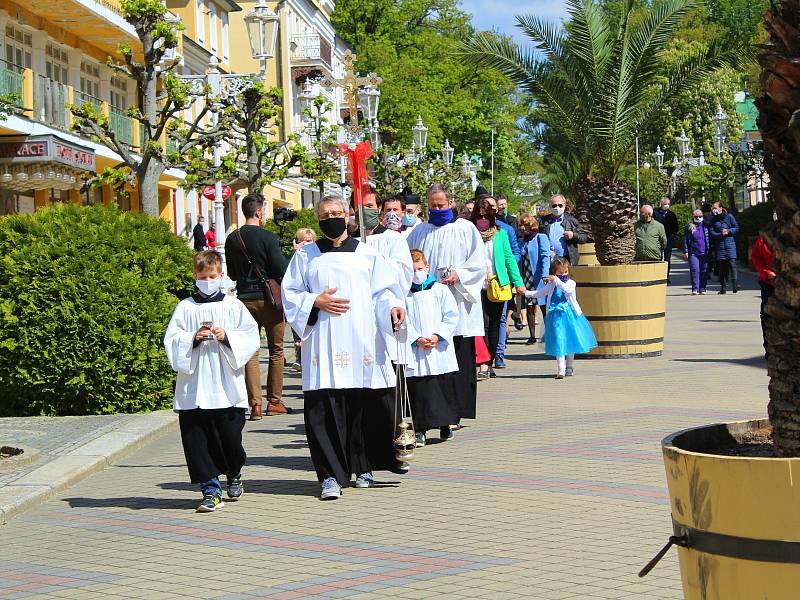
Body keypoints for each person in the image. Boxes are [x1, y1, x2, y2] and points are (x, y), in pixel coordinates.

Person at [282, 194, 406, 500]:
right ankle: (329, 476)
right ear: (318, 219)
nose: (332, 218)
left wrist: (393, 307)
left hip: (360, 340)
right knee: (324, 411)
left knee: (362, 408)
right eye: (325, 215)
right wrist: (315, 301)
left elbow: (384, 292)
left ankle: (363, 466)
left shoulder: (367, 254)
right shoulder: (305, 256)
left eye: (337, 213)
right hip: (323, 342)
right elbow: (290, 294)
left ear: (348, 215)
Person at [163, 250, 261, 512]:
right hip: (195, 386)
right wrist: (192, 338)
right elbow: (172, 340)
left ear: (221, 276)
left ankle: (234, 471)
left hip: (226, 383)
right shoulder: (185, 307)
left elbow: (251, 336)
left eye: (212, 276)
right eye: (202, 276)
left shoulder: (233, 305)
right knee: (197, 439)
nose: (207, 280)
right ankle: (210, 489)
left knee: (230, 437)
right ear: (195, 277)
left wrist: (226, 336)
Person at [406, 183, 485, 425]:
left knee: (458, 359)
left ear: (450, 203)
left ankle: (457, 412)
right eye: (433, 205)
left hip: (459, 302)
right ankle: (434, 413)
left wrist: (459, 274)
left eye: (441, 205)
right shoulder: (419, 232)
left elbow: (479, 263)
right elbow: (408, 260)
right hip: (427, 307)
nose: (438, 209)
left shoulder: (465, 229)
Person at [224, 193, 290, 420]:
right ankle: (275, 401)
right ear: (259, 212)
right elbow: (281, 269)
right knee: (277, 349)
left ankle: (255, 405)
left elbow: (231, 273)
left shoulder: (233, 238)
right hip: (269, 300)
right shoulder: (268, 237)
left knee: (251, 351)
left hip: (244, 300)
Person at [405, 249, 460, 446]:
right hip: (417, 348)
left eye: (419, 268)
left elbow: (452, 315)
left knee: (442, 386)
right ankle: (420, 429)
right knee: (420, 391)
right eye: (412, 270)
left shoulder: (440, 290)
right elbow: (403, 322)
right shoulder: (405, 294)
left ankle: (446, 425)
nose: (416, 273)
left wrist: (438, 336)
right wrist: (416, 338)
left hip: (439, 348)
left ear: (427, 267)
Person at [470, 196, 525, 380]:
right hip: (476, 287)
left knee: (495, 325)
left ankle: (491, 360)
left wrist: (518, 283)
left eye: (486, 217)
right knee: (482, 325)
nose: (483, 220)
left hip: (498, 285)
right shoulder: (469, 233)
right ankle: (483, 363)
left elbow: (509, 259)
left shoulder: (500, 233)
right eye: (479, 216)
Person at [527, 257, 597, 378]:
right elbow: (540, 293)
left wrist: (556, 280)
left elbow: (568, 290)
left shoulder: (571, 283)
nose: (563, 274)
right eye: (560, 273)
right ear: (554, 272)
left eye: (565, 272)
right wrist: (526, 293)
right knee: (559, 340)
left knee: (570, 341)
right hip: (555, 316)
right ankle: (561, 370)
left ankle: (569, 367)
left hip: (570, 315)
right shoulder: (552, 284)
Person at [288, 228, 318, 372]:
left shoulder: (318, 256)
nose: (306, 243)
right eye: (302, 241)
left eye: (309, 240)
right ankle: (299, 358)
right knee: (298, 334)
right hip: (300, 303)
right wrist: (295, 253)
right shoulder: (293, 257)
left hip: (316, 303)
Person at [519, 213, 551, 343]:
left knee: (543, 306)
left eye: (525, 225)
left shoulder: (540, 237)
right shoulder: (522, 241)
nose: (522, 228)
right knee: (530, 305)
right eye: (520, 225)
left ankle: (549, 334)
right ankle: (532, 336)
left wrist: (545, 274)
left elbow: (545, 256)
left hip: (539, 277)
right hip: (526, 276)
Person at [543, 194, 588, 265]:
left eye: (560, 205)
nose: (557, 208)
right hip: (548, 260)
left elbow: (584, 238)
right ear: (550, 206)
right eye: (554, 205)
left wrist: (573, 235)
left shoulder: (571, 221)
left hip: (567, 260)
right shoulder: (543, 221)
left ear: (564, 205)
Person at [751, 226, 775, 358]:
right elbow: (756, 257)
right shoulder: (766, 237)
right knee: (766, 314)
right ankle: (769, 347)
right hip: (769, 282)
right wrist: (767, 273)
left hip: (791, 282)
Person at [709, 202, 740, 294]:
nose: (714, 210)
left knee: (732, 265)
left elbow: (736, 227)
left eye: (715, 208)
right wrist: (720, 234)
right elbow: (712, 232)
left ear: (721, 208)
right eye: (713, 208)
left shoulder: (729, 216)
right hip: (720, 245)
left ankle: (735, 285)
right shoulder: (713, 220)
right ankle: (723, 287)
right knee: (722, 267)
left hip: (730, 244)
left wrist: (729, 231)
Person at [683, 209, 711, 295]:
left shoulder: (706, 226)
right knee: (695, 270)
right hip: (693, 253)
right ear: (693, 217)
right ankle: (695, 288)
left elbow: (711, 238)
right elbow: (685, 240)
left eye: (700, 216)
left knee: (704, 270)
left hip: (705, 252)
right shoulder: (689, 227)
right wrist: (686, 251)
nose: (698, 218)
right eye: (696, 216)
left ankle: (702, 288)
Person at [653, 196, 679, 282]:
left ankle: (666, 276)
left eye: (668, 204)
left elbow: (676, 226)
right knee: (658, 257)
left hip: (668, 238)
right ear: (661, 204)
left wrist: (673, 234)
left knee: (667, 258)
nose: (666, 206)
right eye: (665, 204)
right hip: (657, 238)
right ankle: (659, 276)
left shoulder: (671, 214)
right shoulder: (655, 213)